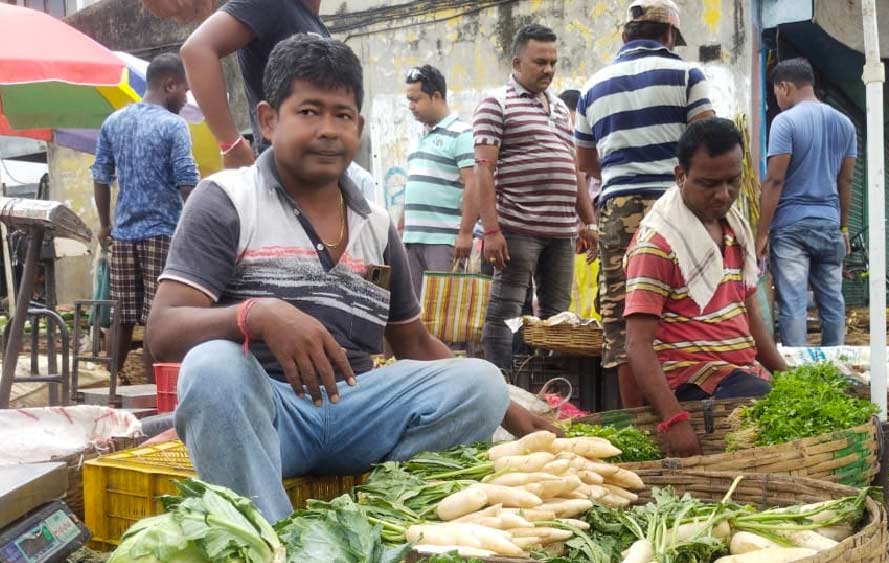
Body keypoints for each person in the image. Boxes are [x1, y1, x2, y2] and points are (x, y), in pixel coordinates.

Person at [146, 35, 555, 523]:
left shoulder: (376, 225)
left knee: (480, 382)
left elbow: (413, 342)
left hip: (357, 413)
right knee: (211, 369)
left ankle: (380, 515)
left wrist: (509, 410)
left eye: (342, 115)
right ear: (268, 119)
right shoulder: (227, 200)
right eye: (308, 111)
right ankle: (274, 539)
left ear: (359, 126)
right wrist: (257, 314)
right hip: (267, 417)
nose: (328, 130)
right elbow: (163, 332)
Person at [575, 0, 714, 408]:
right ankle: (686, 407)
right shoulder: (687, 73)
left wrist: (625, 167)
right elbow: (705, 142)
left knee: (624, 317)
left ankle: (635, 420)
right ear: (669, 35)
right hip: (677, 203)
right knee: (688, 303)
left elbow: (585, 163)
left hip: (617, 207)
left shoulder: (592, 86)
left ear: (625, 34)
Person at [624, 118, 784, 457]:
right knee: (771, 410)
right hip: (692, 384)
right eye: (709, 183)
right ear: (680, 176)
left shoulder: (733, 227)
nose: (723, 194)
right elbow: (637, 344)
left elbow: (750, 316)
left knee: (796, 403)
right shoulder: (658, 243)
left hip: (739, 375)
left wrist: (788, 376)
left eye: (732, 181)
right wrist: (674, 419)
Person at [474, 23, 599, 374]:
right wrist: (492, 231)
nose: (548, 69)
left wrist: (588, 222)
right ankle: (501, 387)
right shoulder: (495, 103)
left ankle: (552, 388)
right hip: (517, 228)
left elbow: (573, 171)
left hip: (562, 232)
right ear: (517, 63)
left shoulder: (560, 109)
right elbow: (483, 170)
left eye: (552, 62)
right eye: (539, 62)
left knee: (558, 316)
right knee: (506, 310)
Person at [91, 53, 199, 384]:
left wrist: (106, 224)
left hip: (123, 235)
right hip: (163, 233)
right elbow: (186, 181)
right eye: (184, 90)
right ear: (170, 84)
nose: (185, 98)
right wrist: (197, 229)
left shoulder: (113, 122)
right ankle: (156, 393)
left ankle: (111, 384)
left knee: (123, 316)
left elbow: (100, 175)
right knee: (158, 316)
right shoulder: (173, 125)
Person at [755, 58, 857, 347]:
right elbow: (845, 182)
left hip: (791, 228)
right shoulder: (846, 124)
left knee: (793, 303)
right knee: (833, 302)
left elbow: (774, 180)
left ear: (784, 87)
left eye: (775, 92)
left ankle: (796, 374)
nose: (776, 99)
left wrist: (762, 233)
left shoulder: (785, 122)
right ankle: (835, 366)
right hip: (829, 225)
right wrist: (843, 227)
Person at [179, 0, 328, 168]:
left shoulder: (314, 22)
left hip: (317, 161)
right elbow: (196, 50)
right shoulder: (270, 4)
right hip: (284, 166)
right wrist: (231, 145)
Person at [401, 64, 477, 295]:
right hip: (412, 239)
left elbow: (473, 186)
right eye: (409, 100)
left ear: (436, 97)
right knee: (415, 313)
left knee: (444, 312)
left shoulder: (463, 134)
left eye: (416, 99)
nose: (411, 106)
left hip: (444, 240)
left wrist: (465, 233)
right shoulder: (418, 136)